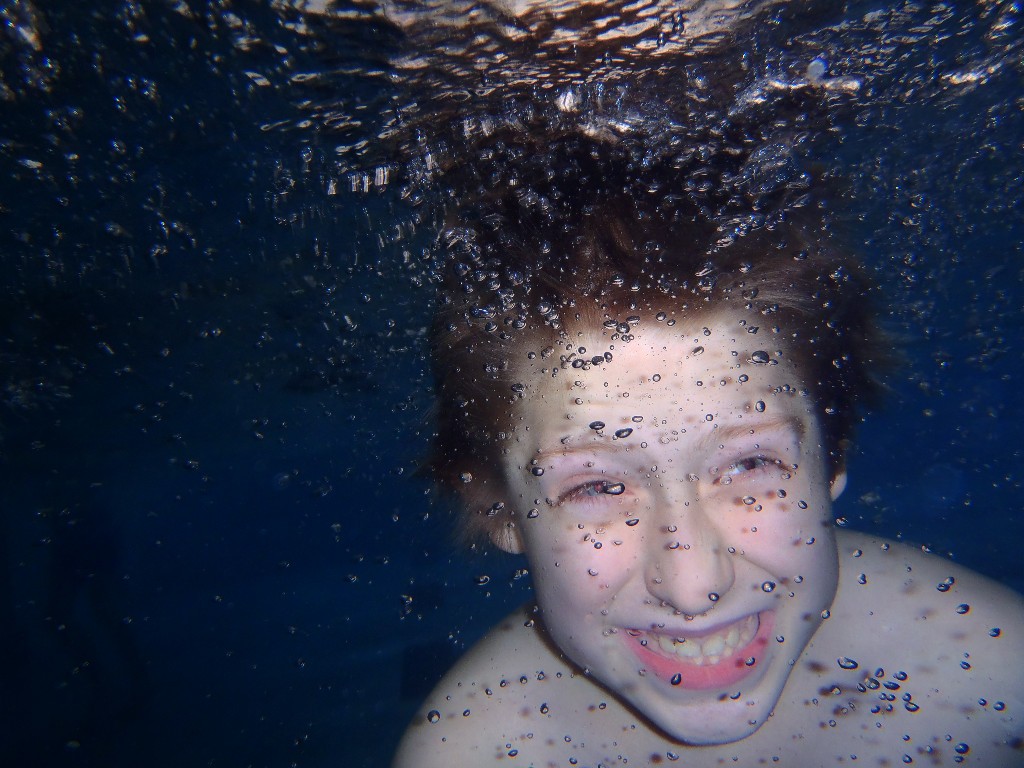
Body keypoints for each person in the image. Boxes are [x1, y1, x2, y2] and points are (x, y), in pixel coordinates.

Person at [392, 136, 1024, 766]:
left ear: (831, 457)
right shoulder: (473, 754)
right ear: (498, 507)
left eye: (750, 464)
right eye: (597, 487)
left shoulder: (997, 673)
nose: (694, 588)